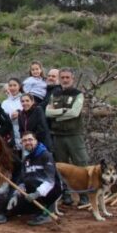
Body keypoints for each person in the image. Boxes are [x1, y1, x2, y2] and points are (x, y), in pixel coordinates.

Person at [45, 68, 90, 205]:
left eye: (67, 77)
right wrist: (64, 111)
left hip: (74, 135)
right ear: (59, 78)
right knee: (61, 167)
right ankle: (66, 196)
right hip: (58, 136)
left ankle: (84, 197)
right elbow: (47, 112)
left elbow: (74, 113)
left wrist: (57, 115)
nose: (65, 80)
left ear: (72, 79)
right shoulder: (55, 94)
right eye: (62, 77)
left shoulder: (78, 95)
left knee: (81, 165)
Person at [7, 131, 62, 226]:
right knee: (13, 210)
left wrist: (36, 194)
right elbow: (22, 181)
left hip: (52, 190)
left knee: (31, 181)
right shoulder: (26, 160)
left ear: (36, 141)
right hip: (33, 190)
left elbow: (50, 181)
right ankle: (38, 210)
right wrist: (15, 195)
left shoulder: (46, 155)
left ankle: (47, 212)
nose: (27, 142)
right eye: (24, 141)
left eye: (30, 139)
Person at [1, 78, 24, 154]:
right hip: (10, 136)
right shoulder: (5, 103)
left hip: (23, 133)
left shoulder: (24, 99)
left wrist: (20, 114)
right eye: (10, 85)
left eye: (15, 85)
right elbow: (2, 119)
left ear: (19, 86)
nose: (12, 88)